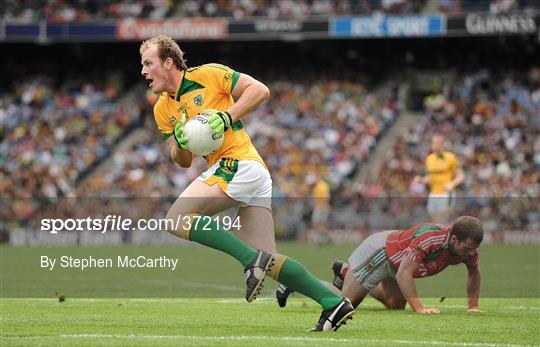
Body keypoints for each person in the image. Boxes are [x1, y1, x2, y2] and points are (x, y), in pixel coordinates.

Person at [139, 35, 353, 331]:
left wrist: (226, 117)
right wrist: (179, 139)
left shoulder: (208, 74)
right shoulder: (162, 109)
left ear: (168, 62)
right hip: (244, 172)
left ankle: (251, 260)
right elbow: (182, 159)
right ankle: (333, 302)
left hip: (239, 163)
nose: (143, 71)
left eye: (148, 63)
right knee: (274, 263)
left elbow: (259, 90)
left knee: (176, 219)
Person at [278, 216, 483, 314]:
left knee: (395, 305)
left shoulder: (466, 247)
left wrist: (472, 306)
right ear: (455, 240)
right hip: (381, 252)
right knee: (343, 304)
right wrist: (420, 308)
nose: (471, 253)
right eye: (468, 248)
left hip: (397, 261)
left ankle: (346, 272)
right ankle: (294, 282)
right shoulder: (430, 239)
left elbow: (474, 273)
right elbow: (404, 275)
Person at [413, 133, 464, 224]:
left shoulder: (450, 157)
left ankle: (445, 236)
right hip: (433, 193)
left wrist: (452, 184)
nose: (434, 145)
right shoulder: (429, 159)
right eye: (433, 143)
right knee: (433, 219)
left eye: (437, 143)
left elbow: (461, 176)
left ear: (442, 144)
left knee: (441, 220)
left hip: (446, 193)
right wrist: (421, 180)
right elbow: (431, 177)